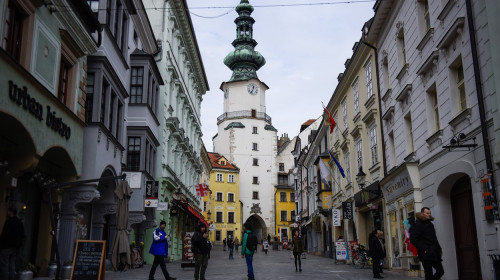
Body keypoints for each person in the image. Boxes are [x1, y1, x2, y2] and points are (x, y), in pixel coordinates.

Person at [410, 207, 444, 280]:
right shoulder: (418, 225)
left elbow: (434, 239)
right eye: (427, 213)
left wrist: (439, 249)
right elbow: (413, 239)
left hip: (434, 252)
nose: (429, 214)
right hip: (425, 253)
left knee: (440, 271)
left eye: (429, 213)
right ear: (422, 214)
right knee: (429, 274)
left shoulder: (430, 225)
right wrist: (424, 249)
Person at [0, 206, 25, 280]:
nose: (7, 212)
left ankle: (4, 278)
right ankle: (11, 278)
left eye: (8, 211)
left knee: (4, 264)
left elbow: (5, 234)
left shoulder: (9, 221)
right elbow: (22, 235)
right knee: (12, 264)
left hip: (7, 246)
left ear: (10, 212)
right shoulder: (19, 222)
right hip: (15, 247)